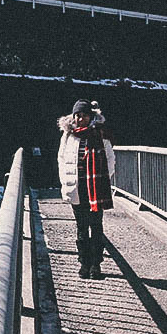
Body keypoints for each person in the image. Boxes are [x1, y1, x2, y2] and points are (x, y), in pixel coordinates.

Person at [57, 99, 115, 279]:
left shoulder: (100, 135)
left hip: (94, 191)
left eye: (84, 115)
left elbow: (110, 160)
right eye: (77, 115)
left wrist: (101, 181)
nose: (80, 118)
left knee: (96, 226)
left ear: (91, 116)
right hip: (76, 188)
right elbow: (61, 159)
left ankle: (96, 264)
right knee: (81, 227)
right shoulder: (68, 135)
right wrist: (65, 181)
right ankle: (84, 263)